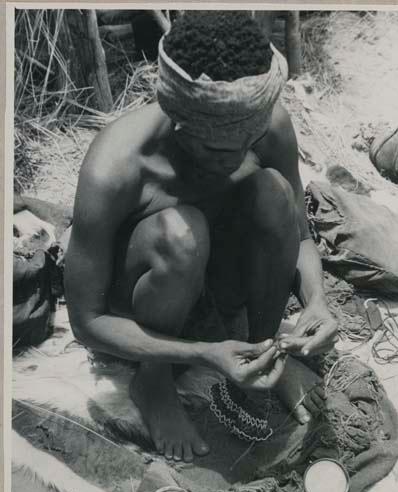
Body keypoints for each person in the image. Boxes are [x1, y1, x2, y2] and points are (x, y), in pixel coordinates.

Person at [65, 11, 338, 462]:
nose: (233, 158)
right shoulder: (116, 165)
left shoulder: (268, 126)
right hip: (147, 297)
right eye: (215, 149)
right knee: (181, 231)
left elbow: (302, 237)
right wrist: (206, 353)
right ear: (178, 122)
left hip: (218, 289)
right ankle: (154, 381)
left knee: (274, 193)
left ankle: (262, 354)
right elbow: (87, 321)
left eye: (244, 142)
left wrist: (316, 299)